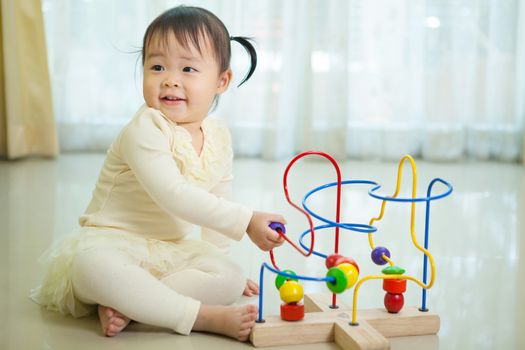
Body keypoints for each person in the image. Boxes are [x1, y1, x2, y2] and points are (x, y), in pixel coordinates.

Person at [31, 5, 286, 342]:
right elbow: (173, 193)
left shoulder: (219, 135)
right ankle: (199, 316)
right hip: (113, 243)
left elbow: (217, 200)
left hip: (169, 250)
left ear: (221, 81)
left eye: (188, 68)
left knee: (229, 276)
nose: (170, 79)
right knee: (91, 268)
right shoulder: (146, 127)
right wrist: (247, 219)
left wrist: (218, 261)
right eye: (157, 66)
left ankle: (131, 306)